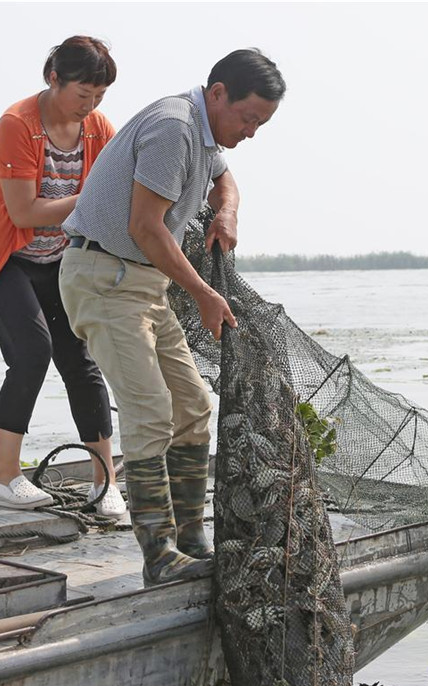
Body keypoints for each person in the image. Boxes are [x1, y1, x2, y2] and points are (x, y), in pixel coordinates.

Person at [59, 49, 286, 584]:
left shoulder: (208, 136)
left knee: (192, 405)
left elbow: (225, 182)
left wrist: (226, 211)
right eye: (247, 117)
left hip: (144, 284)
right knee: (151, 412)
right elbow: (145, 227)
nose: (251, 131)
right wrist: (205, 293)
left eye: (261, 124)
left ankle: (190, 540)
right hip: (104, 278)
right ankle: (159, 555)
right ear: (218, 93)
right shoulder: (174, 129)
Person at [0, 36, 126, 516]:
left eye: (99, 97)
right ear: (53, 78)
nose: (90, 107)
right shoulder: (17, 124)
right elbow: (24, 211)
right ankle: (3, 478)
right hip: (5, 253)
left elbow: (119, 190)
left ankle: (106, 484)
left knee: (81, 357)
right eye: (82, 95)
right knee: (33, 351)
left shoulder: (98, 128)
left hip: (60, 257)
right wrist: (92, 200)